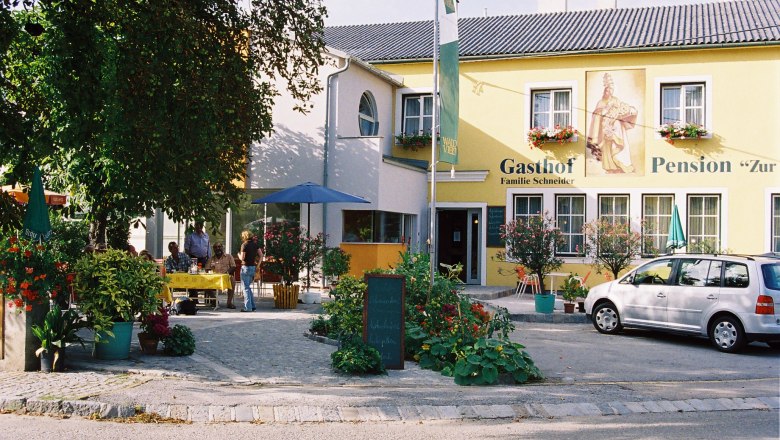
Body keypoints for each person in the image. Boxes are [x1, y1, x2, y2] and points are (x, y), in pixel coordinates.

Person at [586, 72, 637, 174]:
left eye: (610, 90)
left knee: (615, 145)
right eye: (607, 90)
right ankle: (610, 167)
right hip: (604, 129)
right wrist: (603, 111)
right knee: (607, 147)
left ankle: (620, 166)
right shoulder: (600, 102)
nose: (609, 92)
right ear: (605, 91)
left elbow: (621, 110)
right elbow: (596, 113)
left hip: (616, 128)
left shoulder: (616, 100)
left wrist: (629, 110)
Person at [206, 243, 237, 309]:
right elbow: (207, 269)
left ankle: (229, 303)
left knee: (232, 280)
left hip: (226, 277)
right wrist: (210, 270)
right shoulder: (211, 259)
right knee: (204, 283)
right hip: (214, 278)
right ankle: (215, 301)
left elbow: (233, 266)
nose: (217, 248)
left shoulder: (229, 256)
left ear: (222, 247)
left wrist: (227, 273)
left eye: (219, 246)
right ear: (213, 249)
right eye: (215, 247)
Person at [239, 230, 262, 312]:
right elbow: (261, 255)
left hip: (245, 267)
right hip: (252, 268)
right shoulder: (255, 245)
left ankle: (247, 307)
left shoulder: (244, 245)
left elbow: (242, 258)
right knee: (248, 287)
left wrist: (238, 255)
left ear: (244, 237)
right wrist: (258, 265)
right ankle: (252, 306)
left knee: (245, 288)